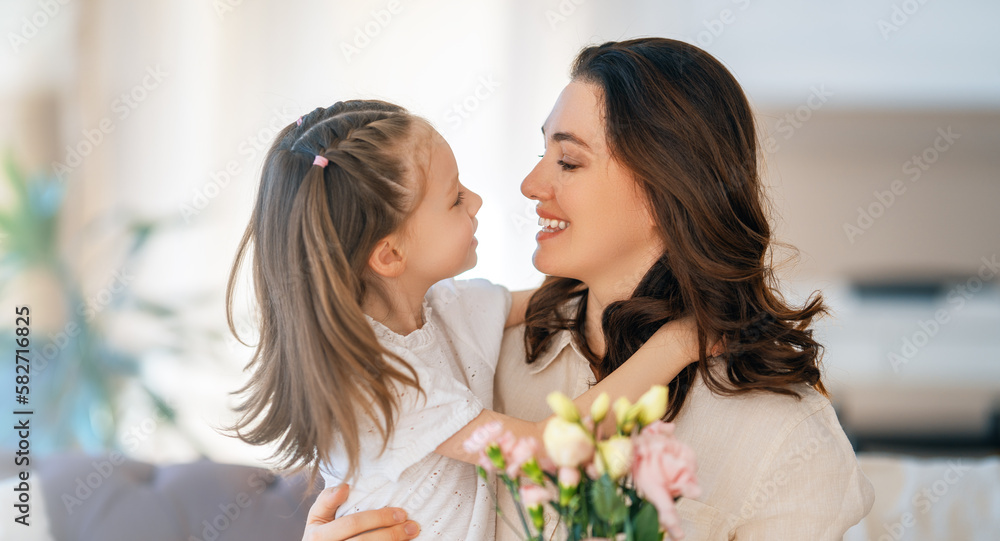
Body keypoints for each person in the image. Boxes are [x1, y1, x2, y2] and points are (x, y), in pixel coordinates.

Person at [303, 38, 875, 541]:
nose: (530, 185)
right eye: (541, 152)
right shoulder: (473, 360)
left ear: (664, 191)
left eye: (568, 161)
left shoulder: (784, 438)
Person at [226, 100, 705, 539]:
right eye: (455, 198)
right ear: (390, 254)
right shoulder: (379, 379)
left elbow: (558, 294)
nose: (475, 201)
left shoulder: (441, 309)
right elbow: (543, 452)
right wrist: (680, 343)